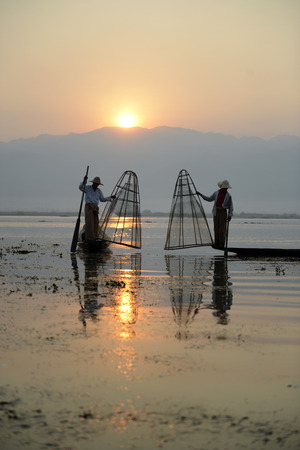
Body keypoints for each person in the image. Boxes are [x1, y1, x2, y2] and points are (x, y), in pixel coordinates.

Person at [197, 180, 233, 249]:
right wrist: (201, 195)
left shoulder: (228, 196)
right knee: (216, 227)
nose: (226, 189)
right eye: (225, 188)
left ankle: (221, 244)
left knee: (222, 229)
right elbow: (209, 199)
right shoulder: (216, 193)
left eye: (226, 188)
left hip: (223, 212)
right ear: (221, 187)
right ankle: (216, 243)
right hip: (216, 212)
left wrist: (230, 215)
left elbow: (231, 207)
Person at [79, 175, 115, 241]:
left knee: (95, 223)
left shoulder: (99, 191)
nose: (96, 185)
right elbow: (81, 187)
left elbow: (102, 199)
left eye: (97, 184)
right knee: (89, 223)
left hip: (95, 208)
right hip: (89, 207)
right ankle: (89, 238)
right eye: (95, 184)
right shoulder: (87, 188)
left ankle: (94, 237)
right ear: (93, 183)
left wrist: (110, 197)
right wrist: (84, 181)